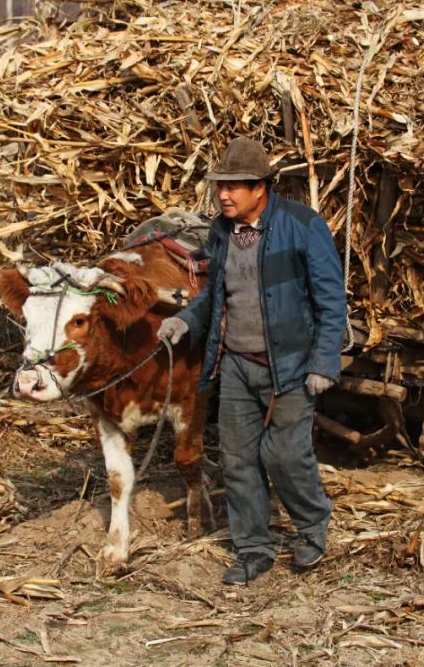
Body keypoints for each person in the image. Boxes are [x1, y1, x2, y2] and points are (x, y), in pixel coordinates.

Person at [157, 137, 347, 585]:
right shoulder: (221, 232)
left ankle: (312, 527)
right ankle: (253, 548)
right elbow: (218, 296)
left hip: (292, 363)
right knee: (239, 460)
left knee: (285, 455)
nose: (224, 194)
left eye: (235, 186)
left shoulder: (303, 226)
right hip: (237, 363)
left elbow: (330, 299)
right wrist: (185, 320)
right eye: (220, 186)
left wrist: (324, 363)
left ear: (261, 187)